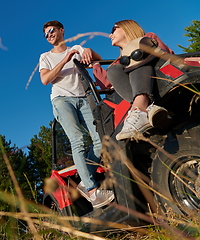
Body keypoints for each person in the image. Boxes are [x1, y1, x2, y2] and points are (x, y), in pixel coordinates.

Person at [39, 20, 114, 208]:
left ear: (61, 30)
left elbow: (96, 59)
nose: (49, 36)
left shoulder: (77, 48)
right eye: (46, 34)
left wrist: (89, 51)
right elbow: (45, 79)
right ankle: (92, 190)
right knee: (78, 139)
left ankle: (84, 178)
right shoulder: (45, 57)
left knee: (100, 141)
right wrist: (66, 59)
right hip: (62, 100)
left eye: (51, 31)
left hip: (83, 98)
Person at [91, 19, 174, 141]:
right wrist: (95, 64)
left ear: (127, 28)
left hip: (161, 81)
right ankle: (149, 109)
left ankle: (139, 109)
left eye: (113, 29)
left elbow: (166, 56)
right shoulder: (118, 63)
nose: (110, 35)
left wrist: (137, 54)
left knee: (138, 54)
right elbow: (105, 84)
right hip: (149, 96)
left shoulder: (148, 38)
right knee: (113, 71)